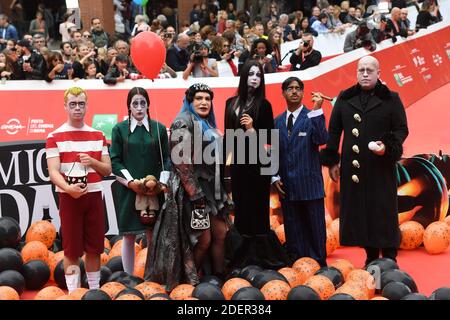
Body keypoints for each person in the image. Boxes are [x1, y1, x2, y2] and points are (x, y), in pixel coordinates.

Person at [320, 56, 409, 266]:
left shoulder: (391, 99)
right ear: (356, 73)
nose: (365, 74)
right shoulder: (344, 98)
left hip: (381, 165)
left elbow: (401, 129)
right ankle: (370, 258)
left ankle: (389, 258)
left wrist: (387, 147)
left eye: (370, 70)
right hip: (354, 168)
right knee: (361, 212)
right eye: (361, 70)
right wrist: (332, 160)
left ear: (379, 74)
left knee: (383, 210)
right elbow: (334, 131)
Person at [148, 83, 231, 290]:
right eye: (199, 99)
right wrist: (196, 195)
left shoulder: (207, 123)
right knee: (202, 239)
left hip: (211, 190)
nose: (204, 102)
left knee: (221, 233)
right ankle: (188, 283)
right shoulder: (181, 123)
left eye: (207, 99)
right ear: (190, 101)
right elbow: (182, 164)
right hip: (191, 192)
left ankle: (219, 279)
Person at [46, 87, 112, 294]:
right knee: (71, 250)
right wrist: (67, 188)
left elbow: (107, 169)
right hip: (68, 198)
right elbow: (53, 171)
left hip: (93, 196)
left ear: (86, 106)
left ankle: (93, 291)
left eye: (81, 104)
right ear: (65, 106)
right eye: (73, 104)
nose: (77, 108)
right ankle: (74, 293)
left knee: (94, 248)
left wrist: (92, 161)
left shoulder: (98, 135)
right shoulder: (54, 136)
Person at [224, 60, 289, 270]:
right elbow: (228, 136)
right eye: (251, 74)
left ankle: (260, 259)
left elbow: (270, 137)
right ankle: (240, 258)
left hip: (258, 163)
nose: (254, 78)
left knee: (258, 209)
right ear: (243, 76)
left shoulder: (264, 105)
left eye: (258, 75)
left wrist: (252, 130)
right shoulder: (230, 103)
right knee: (241, 208)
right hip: (239, 163)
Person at [109, 87, 170, 275]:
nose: (139, 107)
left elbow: (166, 159)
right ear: (128, 106)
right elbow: (115, 160)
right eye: (135, 103)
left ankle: (153, 274)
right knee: (128, 236)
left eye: (143, 103)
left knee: (154, 235)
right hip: (129, 190)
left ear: (148, 105)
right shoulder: (119, 130)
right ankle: (128, 277)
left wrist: (161, 183)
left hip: (155, 190)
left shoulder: (159, 128)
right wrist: (131, 183)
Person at [272, 77, 329, 266]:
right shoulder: (277, 121)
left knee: (315, 230)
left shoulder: (312, 116)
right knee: (293, 230)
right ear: (283, 93)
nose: (294, 91)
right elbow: (273, 151)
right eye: (290, 88)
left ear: (303, 93)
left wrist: (318, 110)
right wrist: (274, 177)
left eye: (298, 88)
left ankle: (319, 266)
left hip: (310, 185)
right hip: (287, 187)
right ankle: (297, 265)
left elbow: (322, 139)